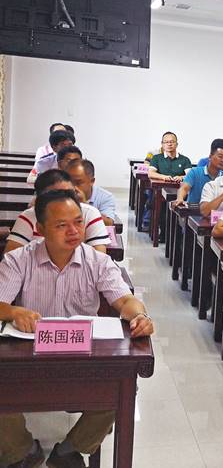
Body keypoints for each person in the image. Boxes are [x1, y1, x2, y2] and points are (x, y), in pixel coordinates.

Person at [0, 190, 153, 468]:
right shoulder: (19, 260)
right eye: (62, 225)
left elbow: (124, 301)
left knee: (123, 389)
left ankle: (71, 450)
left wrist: (139, 316)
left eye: (78, 222)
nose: (73, 231)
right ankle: (21, 450)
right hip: (28, 360)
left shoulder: (97, 262)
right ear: (40, 228)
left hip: (82, 359)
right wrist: (13, 311)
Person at [5, 169, 110, 255]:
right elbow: (11, 257)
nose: (65, 200)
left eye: (70, 193)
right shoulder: (29, 216)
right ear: (40, 198)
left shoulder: (90, 213)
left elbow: (99, 259)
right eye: (57, 195)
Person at [144, 131, 192, 229]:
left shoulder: (185, 159)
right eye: (166, 142)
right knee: (159, 208)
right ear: (162, 144)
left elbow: (190, 175)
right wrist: (164, 177)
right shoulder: (156, 158)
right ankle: (157, 229)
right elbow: (150, 173)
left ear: (177, 144)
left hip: (179, 193)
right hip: (160, 192)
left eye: (172, 142)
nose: (169, 144)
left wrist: (181, 177)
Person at [175, 139, 223, 206]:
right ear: (210, 157)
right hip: (193, 211)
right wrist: (180, 198)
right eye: (220, 156)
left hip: (215, 212)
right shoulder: (195, 172)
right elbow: (184, 188)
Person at [66, 159, 117, 226]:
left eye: (78, 183)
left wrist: (85, 205)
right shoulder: (61, 194)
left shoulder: (105, 197)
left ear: (92, 181)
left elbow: (108, 223)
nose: (73, 187)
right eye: (69, 182)